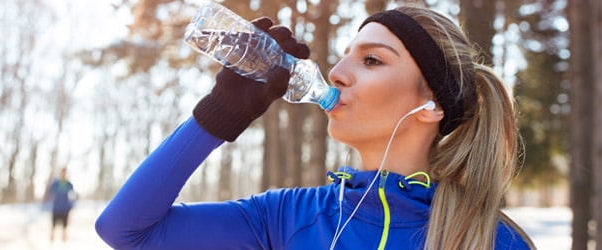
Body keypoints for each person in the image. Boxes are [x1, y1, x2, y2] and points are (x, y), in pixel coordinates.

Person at [96, 5, 535, 250]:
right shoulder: (287, 218)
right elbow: (128, 231)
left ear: (431, 103)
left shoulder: (492, 241)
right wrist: (217, 116)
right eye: (346, 55)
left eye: (371, 60)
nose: (338, 72)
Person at [45, 168, 77, 242]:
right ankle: (51, 243)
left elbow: (73, 196)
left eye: (65, 173)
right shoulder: (55, 183)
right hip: (56, 208)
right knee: (53, 226)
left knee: (65, 227)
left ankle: (64, 244)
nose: (63, 174)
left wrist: (71, 205)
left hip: (65, 209)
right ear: (60, 173)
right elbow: (50, 193)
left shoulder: (69, 184)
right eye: (62, 172)